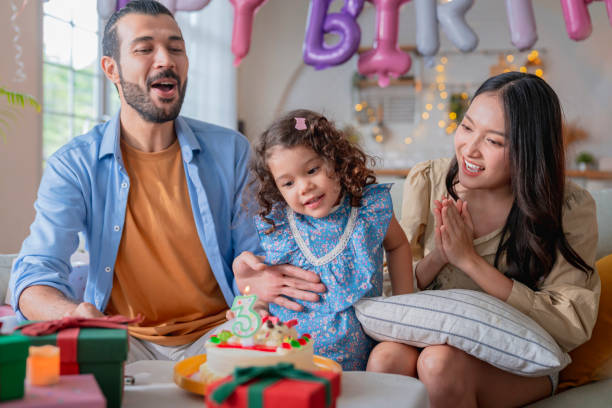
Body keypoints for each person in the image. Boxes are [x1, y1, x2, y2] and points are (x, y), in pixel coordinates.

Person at [9, 0, 324, 362]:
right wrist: (71, 315)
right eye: (145, 49)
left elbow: (258, 256)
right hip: (121, 340)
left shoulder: (232, 151)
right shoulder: (74, 164)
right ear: (111, 69)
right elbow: (34, 273)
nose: (166, 60)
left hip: (222, 332)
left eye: (176, 48)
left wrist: (259, 279)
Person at [366, 72, 600, 407]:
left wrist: (470, 262)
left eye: (494, 141)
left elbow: (570, 324)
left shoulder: (569, 208)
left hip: (519, 358)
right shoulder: (429, 179)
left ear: (529, 151)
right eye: (467, 127)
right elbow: (385, 289)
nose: (470, 150)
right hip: (427, 337)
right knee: (386, 358)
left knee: (440, 363)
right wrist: (440, 257)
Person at [231, 109, 414, 370]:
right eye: (288, 183)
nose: (304, 187)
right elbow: (268, 288)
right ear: (276, 188)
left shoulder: (367, 209)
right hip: (291, 360)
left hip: (360, 360)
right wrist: (258, 309)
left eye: (312, 170)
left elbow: (397, 245)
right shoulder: (280, 225)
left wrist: (403, 308)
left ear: (336, 159)